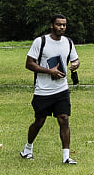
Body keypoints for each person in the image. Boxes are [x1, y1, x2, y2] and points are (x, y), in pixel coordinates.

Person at [23, 14, 80, 164]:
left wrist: (75, 64)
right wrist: (50, 71)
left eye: (64, 25)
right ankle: (27, 149)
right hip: (43, 90)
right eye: (59, 24)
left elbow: (75, 59)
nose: (62, 27)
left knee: (64, 119)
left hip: (62, 89)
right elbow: (29, 63)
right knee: (39, 122)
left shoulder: (68, 42)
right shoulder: (40, 42)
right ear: (51, 25)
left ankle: (66, 157)